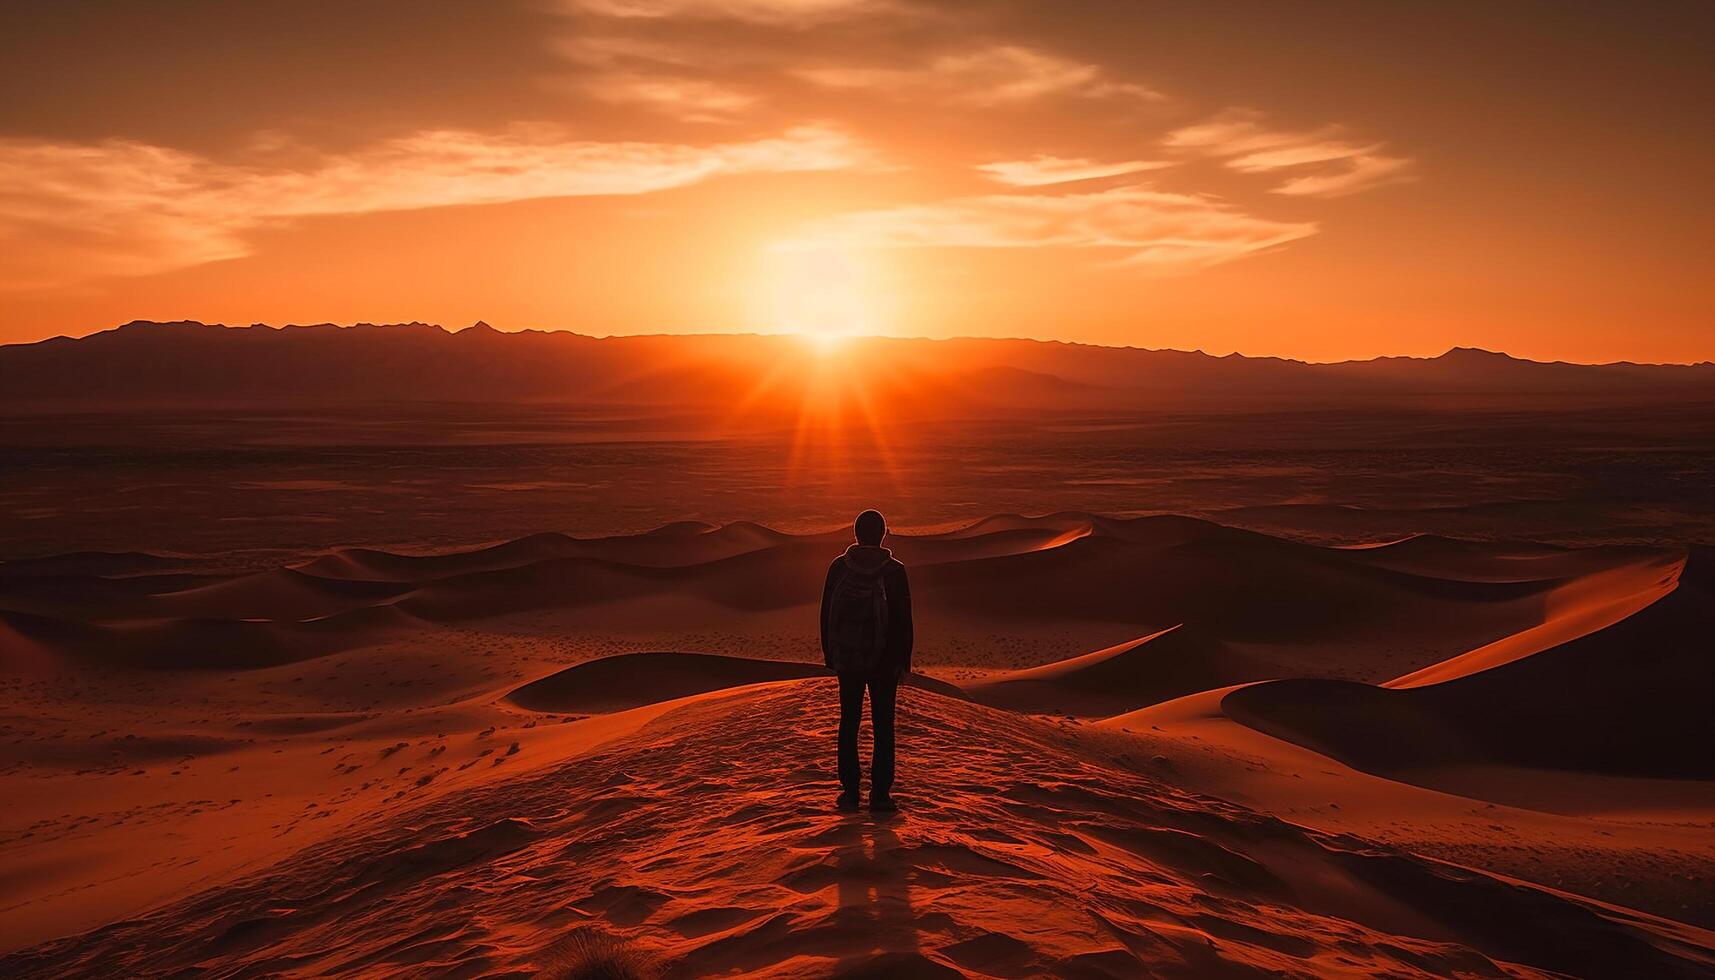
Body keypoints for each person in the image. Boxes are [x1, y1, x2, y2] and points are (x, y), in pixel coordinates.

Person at [821, 509, 913, 813]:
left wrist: (830, 654)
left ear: (856, 534)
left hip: (847, 658)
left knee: (849, 722)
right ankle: (880, 796)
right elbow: (903, 620)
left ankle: (849, 794)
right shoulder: (895, 571)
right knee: (883, 725)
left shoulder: (839, 567)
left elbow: (825, 614)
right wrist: (903, 661)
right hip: (885, 662)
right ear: (883, 534)